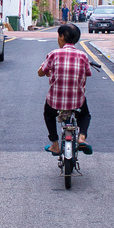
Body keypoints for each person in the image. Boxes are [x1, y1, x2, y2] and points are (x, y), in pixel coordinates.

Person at [38, 23, 92, 156]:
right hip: (76, 101)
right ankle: (82, 138)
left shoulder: (54, 54)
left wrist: (44, 70)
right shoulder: (83, 56)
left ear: (62, 36)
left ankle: (55, 144)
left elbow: (40, 72)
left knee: (48, 115)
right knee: (84, 114)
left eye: (58, 36)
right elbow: (86, 74)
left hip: (54, 102)